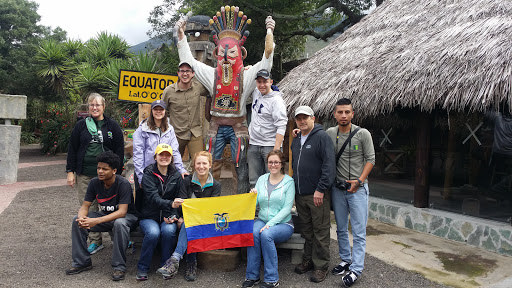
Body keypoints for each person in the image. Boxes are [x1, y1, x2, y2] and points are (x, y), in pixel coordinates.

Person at [175, 8, 276, 194]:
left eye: (232, 54)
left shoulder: (246, 76)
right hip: (215, 125)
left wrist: (269, 34)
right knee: (209, 162)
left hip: (238, 125)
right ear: (216, 53)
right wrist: (181, 36)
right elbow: (189, 62)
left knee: (241, 163)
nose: (227, 58)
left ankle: (241, 200)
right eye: (223, 53)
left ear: (241, 54)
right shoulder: (211, 74)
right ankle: (208, 199)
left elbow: (266, 64)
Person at [66, 93, 125, 255]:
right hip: (85, 173)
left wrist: (117, 173)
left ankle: (119, 238)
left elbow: (119, 150)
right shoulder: (81, 126)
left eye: (98, 105)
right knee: (90, 207)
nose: (94, 108)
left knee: (112, 206)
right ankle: (95, 240)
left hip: (109, 177)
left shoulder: (112, 126)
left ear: (103, 107)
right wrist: (70, 171)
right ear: (88, 107)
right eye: (92, 105)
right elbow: (72, 149)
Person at [65, 151, 138, 281]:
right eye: (99, 168)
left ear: (114, 170)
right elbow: (85, 206)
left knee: (119, 223)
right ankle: (82, 262)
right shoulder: (94, 183)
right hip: (105, 216)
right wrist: (82, 218)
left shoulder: (123, 184)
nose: (100, 171)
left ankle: (119, 266)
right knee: (76, 220)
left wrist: (96, 221)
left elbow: (122, 212)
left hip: (127, 218)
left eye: (105, 169)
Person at [326, 98, 375, 287]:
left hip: (358, 189)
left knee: (358, 230)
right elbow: (314, 134)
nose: (344, 115)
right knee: (340, 228)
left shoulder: (363, 134)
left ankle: (356, 269)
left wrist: (360, 181)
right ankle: (346, 260)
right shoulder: (330, 133)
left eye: (347, 112)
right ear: (335, 114)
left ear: (353, 114)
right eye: (340, 112)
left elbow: (371, 159)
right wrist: (299, 132)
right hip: (338, 189)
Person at [157, 151, 221, 281]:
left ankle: (177, 259)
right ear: (194, 165)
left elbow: (212, 209)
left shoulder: (216, 185)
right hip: (186, 219)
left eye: (204, 163)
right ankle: (190, 263)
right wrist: (177, 216)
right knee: (188, 225)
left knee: (190, 225)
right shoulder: (186, 181)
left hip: (206, 221)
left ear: (210, 165)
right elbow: (180, 203)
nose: (201, 166)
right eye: (198, 163)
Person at [291, 106, 335, 283]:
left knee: (321, 231)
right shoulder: (296, 139)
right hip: (301, 194)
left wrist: (321, 189)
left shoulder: (322, 137)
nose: (302, 121)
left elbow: (328, 166)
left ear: (313, 118)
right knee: (306, 230)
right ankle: (308, 260)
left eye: (305, 118)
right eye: (299, 118)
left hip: (317, 194)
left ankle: (321, 266)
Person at [242, 150, 295, 288]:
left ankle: (272, 279)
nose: (273, 165)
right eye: (270, 162)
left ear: (281, 164)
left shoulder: (289, 182)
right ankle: (252, 276)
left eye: (276, 162)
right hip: (262, 220)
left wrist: (270, 224)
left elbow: (286, 209)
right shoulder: (262, 179)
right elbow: (257, 203)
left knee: (266, 234)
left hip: (283, 224)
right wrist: (253, 196)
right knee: (253, 233)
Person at [135, 143, 183, 281]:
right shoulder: (148, 174)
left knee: (168, 231)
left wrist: (173, 215)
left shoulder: (176, 175)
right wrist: (170, 204)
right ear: (155, 157)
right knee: (153, 233)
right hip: (149, 215)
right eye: (161, 154)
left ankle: (166, 266)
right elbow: (152, 198)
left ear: (171, 158)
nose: (164, 157)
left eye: (167, 155)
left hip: (168, 215)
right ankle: (143, 267)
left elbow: (180, 199)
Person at [133, 99, 187, 189]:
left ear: (165, 111)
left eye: (161, 109)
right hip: (146, 172)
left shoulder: (170, 129)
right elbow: (138, 154)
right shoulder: (142, 129)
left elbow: (174, 151)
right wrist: (141, 177)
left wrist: (181, 169)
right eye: (155, 109)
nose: (158, 112)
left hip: (163, 172)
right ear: (152, 111)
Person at [247, 69, 287, 188]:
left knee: (272, 179)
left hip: (269, 144)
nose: (262, 85)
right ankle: (256, 207)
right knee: (253, 180)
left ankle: (272, 206)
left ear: (271, 82)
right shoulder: (256, 93)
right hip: (254, 143)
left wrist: (276, 150)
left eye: (265, 82)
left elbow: (281, 124)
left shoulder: (277, 101)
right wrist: (247, 69)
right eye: (259, 82)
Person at [162, 62, 209, 162]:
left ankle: (195, 178)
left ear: (193, 74)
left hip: (195, 132)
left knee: (200, 162)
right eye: (182, 71)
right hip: (176, 134)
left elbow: (213, 86)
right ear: (178, 73)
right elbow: (161, 111)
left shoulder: (198, 87)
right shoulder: (169, 91)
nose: (185, 74)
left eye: (188, 71)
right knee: (171, 163)